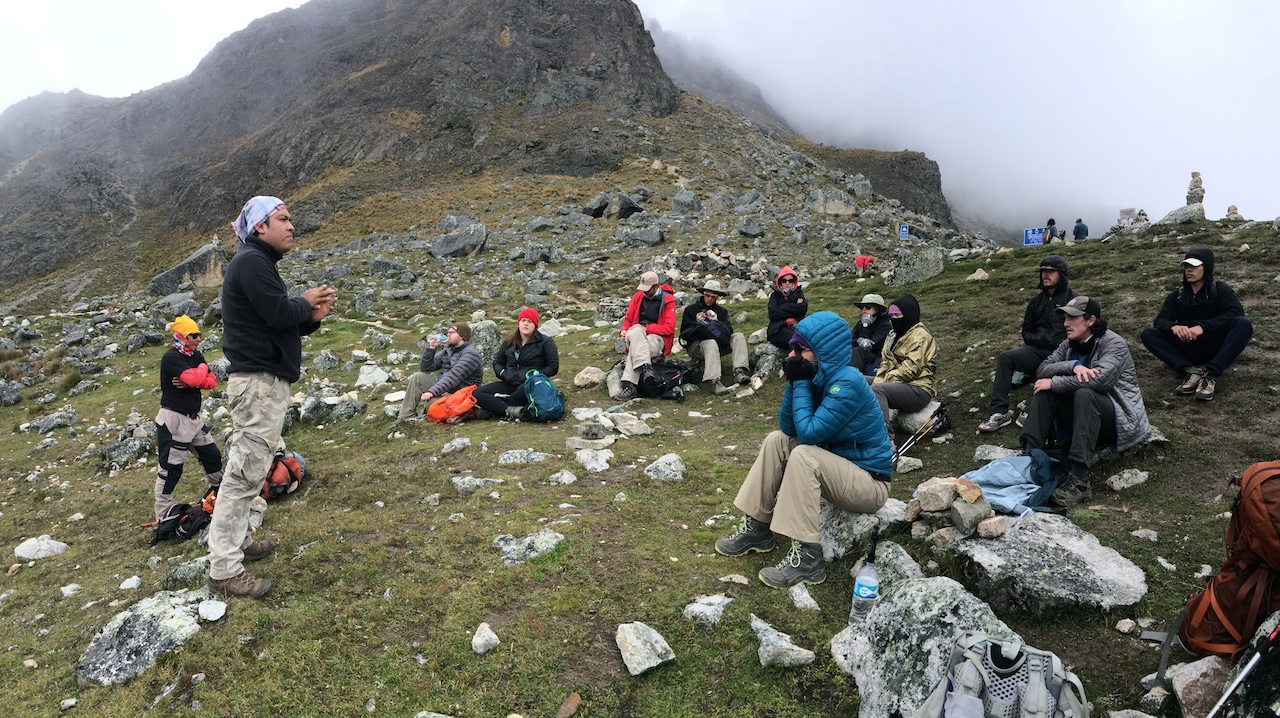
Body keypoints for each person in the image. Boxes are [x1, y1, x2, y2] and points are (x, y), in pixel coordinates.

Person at [210, 196, 336, 599]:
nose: (291, 226)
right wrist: (304, 303)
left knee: (253, 468)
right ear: (259, 226)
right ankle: (224, 568)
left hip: (264, 384)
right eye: (283, 218)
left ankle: (241, 541)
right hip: (258, 385)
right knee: (243, 474)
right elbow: (279, 312)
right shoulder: (251, 261)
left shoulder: (257, 263)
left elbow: (276, 324)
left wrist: (309, 320)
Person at [714, 311, 892, 588]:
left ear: (825, 351)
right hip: (840, 468)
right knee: (777, 440)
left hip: (870, 484)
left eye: (802, 349)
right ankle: (757, 528)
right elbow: (788, 428)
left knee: (803, 455)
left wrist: (799, 382)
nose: (795, 354)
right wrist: (795, 381)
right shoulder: (819, 376)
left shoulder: (847, 382)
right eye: (793, 348)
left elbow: (808, 434)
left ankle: (808, 558)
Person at [1020, 296, 1151, 509]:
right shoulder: (1068, 345)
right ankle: (1028, 459)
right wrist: (1073, 366)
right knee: (1044, 393)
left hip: (1117, 419)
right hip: (1083, 420)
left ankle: (1080, 480)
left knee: (1084, 393)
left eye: (1072, 318)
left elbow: (1099, 381)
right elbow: (1042, 370)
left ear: (1091, 320)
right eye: (1064, 318)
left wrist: (1054, 383)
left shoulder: (1113, 343)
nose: (1065, 324)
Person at [978, 256, 1079, 433]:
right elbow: (1027, 331)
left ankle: (1032, 410)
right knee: (1006, 358)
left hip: (1063, 355)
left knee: (1056, 375)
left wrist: (1058, 344)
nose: (1045, 275)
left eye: (1050, 271)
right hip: (1037, 352)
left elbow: (1080, 331)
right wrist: (1043, 340)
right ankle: (999, 411)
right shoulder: (1036, 302)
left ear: (1061, 274)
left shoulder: (1074, 300)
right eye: (1043, 271)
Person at [1139, 248, 1252, 401]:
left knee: (1243, 324)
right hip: (1188, 347)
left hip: (1216, 346)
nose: (1189, 270)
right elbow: (1161, 320)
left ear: (1206, 268)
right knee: (1148, 334)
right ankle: (1190, 371)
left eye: (1194, 266)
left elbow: (1235, 313)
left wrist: (1202, 328)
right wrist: (1174, 327)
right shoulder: (1177, 295)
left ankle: (1210, 374)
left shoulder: (1221, 290)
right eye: (1186, 266)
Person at [153, 315, 222, 523]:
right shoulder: (172, 357)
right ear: (182, 336)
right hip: (174, 421)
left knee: (212, 456)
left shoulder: (195, 355)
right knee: (170, 469)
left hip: (195, 420)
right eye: (194, 335)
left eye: (199, 335)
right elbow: (197, 377)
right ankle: (163, 515)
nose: (198, 339)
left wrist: (195, 377)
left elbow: (211, 381)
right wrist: (198, 375)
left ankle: (219, 494)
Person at [870, 295, 938, 443]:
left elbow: (910, 370)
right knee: (856, 379)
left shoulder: (921, 336)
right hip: (895, 383)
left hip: (919, 388)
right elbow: (885, 362)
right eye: (891, 315)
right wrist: (879, 380)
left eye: (897, 315)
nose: (893, 319)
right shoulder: (892, 334)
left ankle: (884, 440)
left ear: (909, 315)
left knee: (877, 390)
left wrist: (879, 383)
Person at [473, 308, 559, 420]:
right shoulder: (509, 341)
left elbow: (553, 367)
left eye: (530, 321)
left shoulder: (545, 342)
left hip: (530, 385)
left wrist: (535, 374)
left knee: (518, 394)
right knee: (477, 393)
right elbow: (497, 362)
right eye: (523, 320)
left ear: (535, 325)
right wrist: (503, 373)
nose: (526, 324)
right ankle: (510, 410)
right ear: (518, 323)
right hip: (509, 382)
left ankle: (497, 408)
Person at [399, 322, 483, 420]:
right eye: (448, 332)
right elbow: (427, 367)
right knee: (418, 377)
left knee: (431, 404)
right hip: (446, 389)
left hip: (460, 394)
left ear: (461, 336)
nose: (448, 334)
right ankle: (405, 417)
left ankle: (469, 411)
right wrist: (431, 348)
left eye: (452, 332)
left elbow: (454, 376)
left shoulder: (470, 354)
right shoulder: (449, 349)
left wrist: (432, 392)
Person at [679, 279, 750, 396]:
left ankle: (739, 371)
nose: (709, 299)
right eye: (707, 295)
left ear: (717, 297)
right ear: (703, 294)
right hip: (697, 347)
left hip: (720, 345)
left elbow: (729, 332)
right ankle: (714, 381)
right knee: (711, 342)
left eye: (713, 297)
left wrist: (716, 321)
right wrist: (697, 324)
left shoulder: (721, 312)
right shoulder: (691, 310)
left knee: (738, 336)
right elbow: (684, 335)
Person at [615, 270, 677, 402]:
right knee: (636, 332)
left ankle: (630, 385)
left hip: (656, 339)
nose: (644, 292)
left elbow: (669, 328)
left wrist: (646, 328)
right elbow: (628, 319)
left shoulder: (667, 301)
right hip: (635, 335)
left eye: (647, 289)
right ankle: (646, 367)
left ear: (656, 286)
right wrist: (624, 330)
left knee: (636, 347)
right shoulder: (638, 297)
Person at [766, 266, 807, 350]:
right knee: (795, 339)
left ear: (794, 281)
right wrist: (795, 309)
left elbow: (803, 309)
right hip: (778, 330)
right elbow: (773, 314)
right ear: (780, 282)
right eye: (784, 280)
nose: (787, 283)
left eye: (790, 280)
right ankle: (796, 360)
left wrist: (782, 307)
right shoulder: (775, 295)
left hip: (798, 326)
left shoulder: (798, 292)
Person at [850, 293, 890, 377]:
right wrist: (859, 340)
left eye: (867, 307)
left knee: (857, 351)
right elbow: (851, 341)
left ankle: (851, 379)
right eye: (862, 307)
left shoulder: (885, 325)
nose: (864, 309)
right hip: (859, 355)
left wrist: (865, 326)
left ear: (877, 309)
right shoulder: (859, 323)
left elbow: (870, 346)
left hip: (877, 358)